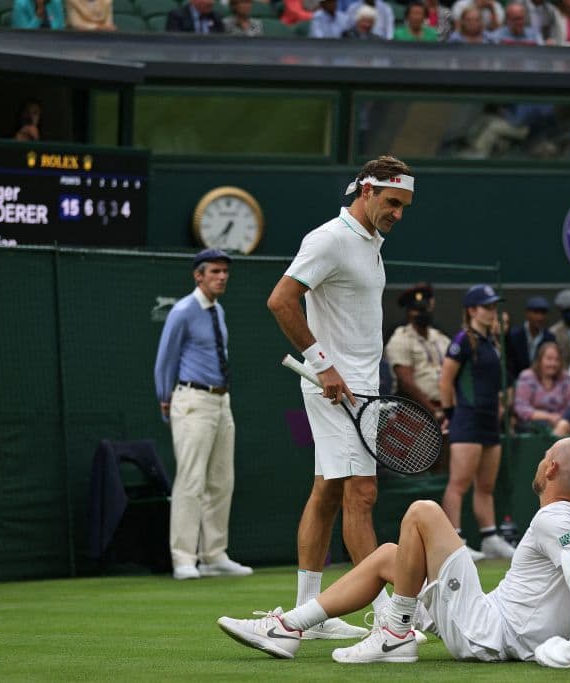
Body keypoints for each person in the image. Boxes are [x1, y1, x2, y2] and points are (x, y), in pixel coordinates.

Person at [217, 438, 570, 668]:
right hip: (490, 618)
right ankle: (287, 628)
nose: (540, 462)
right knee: (386, 556)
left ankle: (396, 633)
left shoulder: (552, 519)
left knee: (423, 511)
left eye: (544, 458)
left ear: (552, 466)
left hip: (487, 632)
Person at [265, 156, 415, 639]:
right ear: (366, 191)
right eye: (392, 203)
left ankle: (309, 609)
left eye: (404, 206)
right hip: (336, 388)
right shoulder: (329, 238)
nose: (398, 213)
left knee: (328, 492)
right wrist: (323, 364)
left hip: (360, 385)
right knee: (362, 494)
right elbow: (280, 300)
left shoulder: (372, 241)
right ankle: (389, 618)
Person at [154, 249, 251, 581]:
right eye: (215, 271)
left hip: (221, 402)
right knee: (191, 480)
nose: (222, 277)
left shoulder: (218, 311)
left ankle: (213, 555)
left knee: (222, 480)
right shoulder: (182, 311)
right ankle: (183, 558)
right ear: (199, 275)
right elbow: (165, 359)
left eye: (225, 271)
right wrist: (165, 399)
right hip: (191, 400)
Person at [440, 284, 517, 560]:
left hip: (489, 421)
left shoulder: (493, 343)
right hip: (466, 419)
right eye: (487, 307)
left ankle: (489, 537)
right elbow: (446, 380)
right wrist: (450, 414)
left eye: (494, 306)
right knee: (459, 483)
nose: (492, 312)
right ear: (472, 310)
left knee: (486, 485)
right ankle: (454, 541)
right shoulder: (462, 340)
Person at [385, 282, 450, 421]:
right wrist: (434, 411)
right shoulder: (400, 339)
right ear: (409, 312)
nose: (423, 313)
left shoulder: (441, 338)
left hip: (446, 408)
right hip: (414, 410)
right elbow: (406, 382)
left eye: (425, 308)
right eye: (418, 309)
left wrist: (450, 409)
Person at [515, 341, 570, 432]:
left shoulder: (565, 377)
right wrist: (549, 417)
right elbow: (521, 408)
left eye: (557, 360)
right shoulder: (527, 376)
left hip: (561, 423)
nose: (553, 364)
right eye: (549, 359)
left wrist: (561, 420)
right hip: (534, 424)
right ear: (540, 360)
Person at [505, 296, 555, 383]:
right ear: (527, 313)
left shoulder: (550, 338)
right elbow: (508, 366)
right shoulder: (514, 336)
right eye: (535, 312)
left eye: (543, 313)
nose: (539, 317)